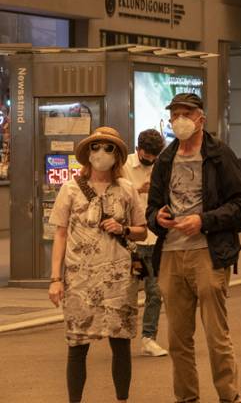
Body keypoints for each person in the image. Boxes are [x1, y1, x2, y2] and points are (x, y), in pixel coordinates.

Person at [147, 93, 241, 403]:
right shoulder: (165, 159)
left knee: (216, 336)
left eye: (186, 113)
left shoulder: (219, 155)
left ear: (200, 119)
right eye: (175, 113)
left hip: (209, 252)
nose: (180, 119)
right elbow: (151, 210)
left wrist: (203, 221)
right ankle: (187, 398)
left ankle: (228, 396)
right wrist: (157, 217)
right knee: (178, 340)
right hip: (170, 255)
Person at [48, 126, 148, 403]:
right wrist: (55, 279)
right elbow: (60, 233)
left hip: (118, 276)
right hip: (80, 278)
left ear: (117, 156)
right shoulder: (70, 188)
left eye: (108, 148)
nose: (101, 153)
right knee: (77, 346)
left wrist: (123, 228)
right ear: (86, 154)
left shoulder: (127, 189)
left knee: (121, 343)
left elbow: (142, 229)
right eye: (95, 147)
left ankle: (122, 399)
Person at [124, 128, 168, 358]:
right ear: (139, 149)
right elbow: (114, 196)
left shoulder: (161, 167)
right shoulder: (124, 166)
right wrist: (137, 190)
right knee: (127, 291)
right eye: (147, 155)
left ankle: (148, 338)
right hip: (132, 243)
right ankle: (121, 335)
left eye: (154, 156)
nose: (150, 159)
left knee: (155, 291)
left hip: (155, 239)